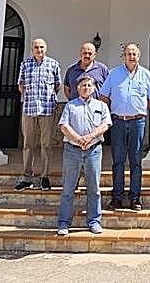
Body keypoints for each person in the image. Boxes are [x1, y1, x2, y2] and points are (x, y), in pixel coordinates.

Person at [99, 42, 150, 211]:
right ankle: (117, 196)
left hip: (138, 122)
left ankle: (135, 198)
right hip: (118, 122)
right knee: (118, 160)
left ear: (139, 56)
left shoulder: (146, 75)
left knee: (136, 160)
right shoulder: (114, 74)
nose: (132, 57)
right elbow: (103, 96)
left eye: (134, 54)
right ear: (124, 56)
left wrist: (136, 110)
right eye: (128, 54)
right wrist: (117, 109)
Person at [56, 74, 112, 236]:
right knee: (68, 188)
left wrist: (90, 137)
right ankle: (64, 223)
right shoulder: (70, 106)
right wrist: (79, 139)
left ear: (94, 88)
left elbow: (106, 124)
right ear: (77, 88)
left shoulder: (101, 106)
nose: (86, 88)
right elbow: (64, 126)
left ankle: (94, 221)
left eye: (89, 85)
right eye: (83, 86)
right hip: (72, 151)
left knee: (94, 188)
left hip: (93, 150)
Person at [15, 38, 62, 191]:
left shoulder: (53, 64)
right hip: (29, 110)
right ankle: (27, 177)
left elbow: (57, 85)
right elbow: (20, 85)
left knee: (46, 144)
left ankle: (44, 176)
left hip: (47, 110)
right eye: (36, 47)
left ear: (46, 48)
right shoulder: (25, 64)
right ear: (32, 48)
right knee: (28, 144)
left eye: (41, 47)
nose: (39, 50)